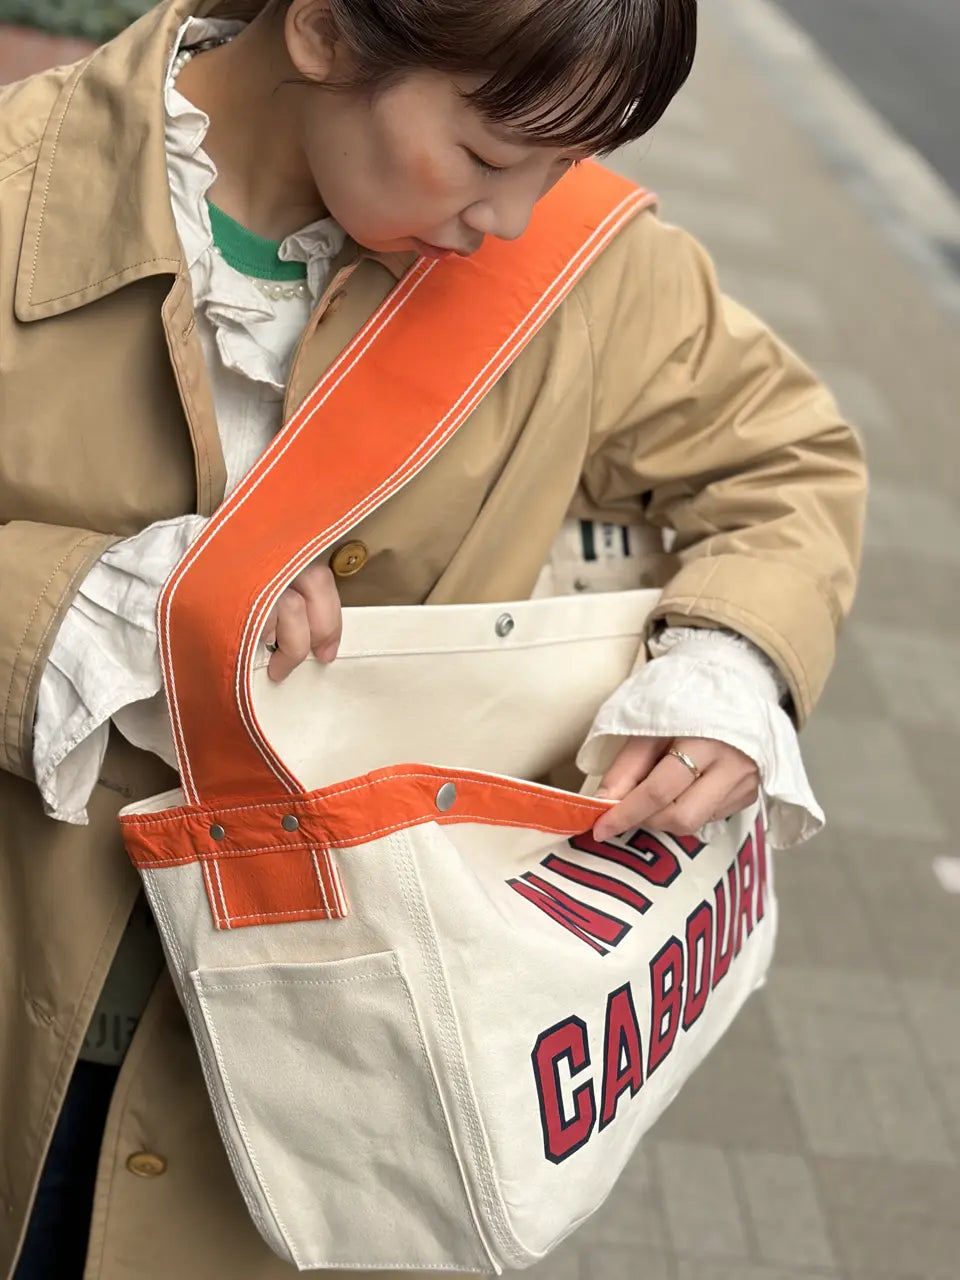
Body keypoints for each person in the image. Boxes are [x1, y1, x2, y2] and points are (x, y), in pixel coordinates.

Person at [0, 0, 865, 1276]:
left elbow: (784, 461)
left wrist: (732, 660)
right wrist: (74, 604)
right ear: (324, 34)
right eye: (488, 151)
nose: (513, 220)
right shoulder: (20, 188)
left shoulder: (586, 273)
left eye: (563, 164)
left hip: (340, 1083)